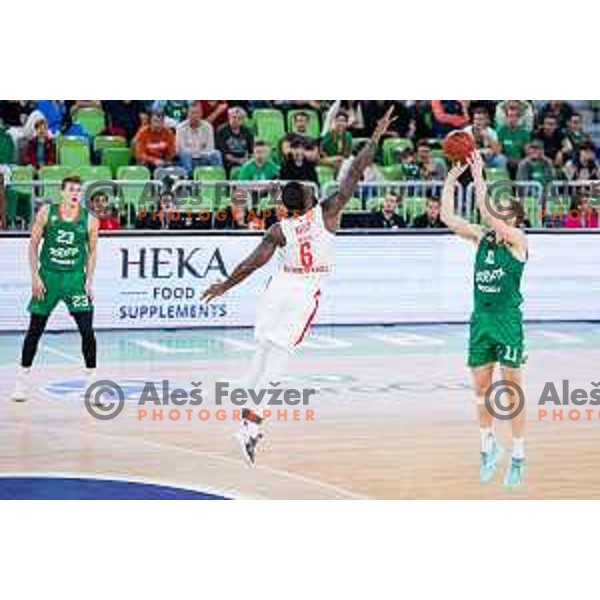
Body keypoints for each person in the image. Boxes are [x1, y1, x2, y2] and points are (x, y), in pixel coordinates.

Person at [202, 107, 396, 465]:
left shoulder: (279, 230)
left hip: (277, 289)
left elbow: (251, 264)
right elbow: (354, 171)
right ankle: (250, 426)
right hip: (302, 293)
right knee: (278, 363)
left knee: (262, 352)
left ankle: (242, 397)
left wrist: (225, 286)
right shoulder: (328, 212)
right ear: (307, 201)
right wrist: (375, 137)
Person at [441, 151, 528, 488]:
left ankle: (519, 454)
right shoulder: (481, 237)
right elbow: (449, 216)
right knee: (481, 388)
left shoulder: (518, 241)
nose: (496, 211)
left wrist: (478, 176)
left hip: (506, 320)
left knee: (510, 391)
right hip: (481, 320)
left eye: (503, 209)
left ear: (514, 218)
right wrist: (452, 178)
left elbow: (490, 216)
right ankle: (487, 448)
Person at [12, 176, 99, 402]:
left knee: (87, 330)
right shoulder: (46, 213)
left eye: (79, 190)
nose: (75, 194)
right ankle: (21, 382)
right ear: (62, 192)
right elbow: (32, 246)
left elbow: (92, 253)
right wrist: (35, 277)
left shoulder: (90, 220)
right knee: (35, 330)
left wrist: (88, 282)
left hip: (74, 280)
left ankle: (92, 383)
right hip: (48, 277)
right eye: (71, 189)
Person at [176, 104, 222, 173]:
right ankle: (190, 177)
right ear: (188, 114)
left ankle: (218, 176)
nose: (194, 115)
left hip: (203, 158)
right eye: (192, 113)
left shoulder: (208, 127)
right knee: (184, 154)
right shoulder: (180, 127)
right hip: (189, 159)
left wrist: (199, 154)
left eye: (197, 113)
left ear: (201, 114)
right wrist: (197, 152)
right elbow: (181, 148)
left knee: (216, 153)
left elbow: (210, 147)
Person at [215, 107, 254, 176]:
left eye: (239, 118)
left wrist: (247, 159)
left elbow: (252, 151)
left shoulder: (247, 132)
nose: (236, 120)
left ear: (242, 120)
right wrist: (239, 160)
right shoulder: (221, 131)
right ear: (229, 117)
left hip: (243, 160)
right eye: (234, 117)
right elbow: (224, 154)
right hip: (227, 163)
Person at [496, 105, 530, 179]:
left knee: (524, 164)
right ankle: (503, 188)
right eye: (510, 116)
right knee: (500, 160)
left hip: (520, 161)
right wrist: (508, 159)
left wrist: (520, 160)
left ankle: (521, 189)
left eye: (515, 116)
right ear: (506, 117)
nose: (512, 119)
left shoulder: (524, 132)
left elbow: (528, 152)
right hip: (506, 160)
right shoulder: (501, 131)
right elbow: (498, 150)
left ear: (518, 118)